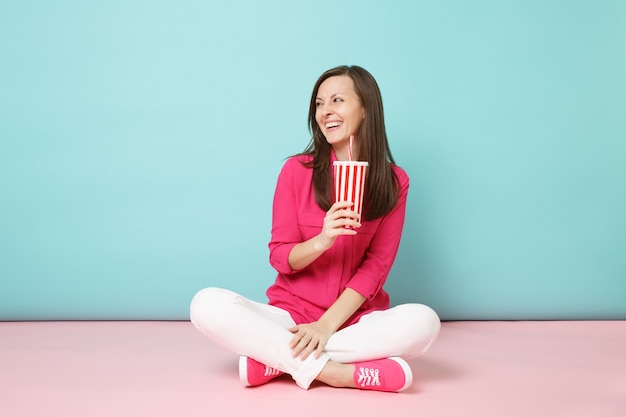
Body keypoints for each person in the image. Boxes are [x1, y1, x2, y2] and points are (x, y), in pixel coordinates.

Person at [190, 65, 440, 392]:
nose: (326, 112)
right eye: (319, 104)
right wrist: (322, 241)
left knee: (425, 322)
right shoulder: (295, 171)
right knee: (206, 304)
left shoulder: (394, 182)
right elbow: (280, 258)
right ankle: (337, 372)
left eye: (337, 100)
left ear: (366, 109)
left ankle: (275, 360)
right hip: (289, 318)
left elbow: (376, 267)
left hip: (353, 322)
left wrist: (325, 327)